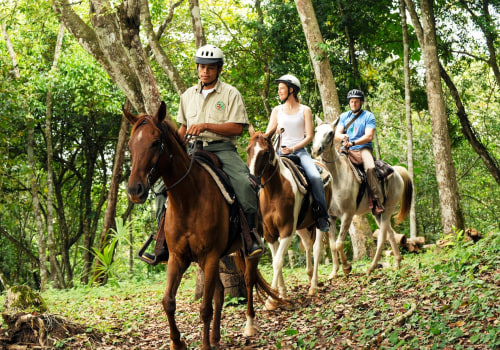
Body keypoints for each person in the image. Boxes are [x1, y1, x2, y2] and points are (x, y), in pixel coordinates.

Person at [176, 44, 263, 258]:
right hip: (192, 150)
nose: (205, 71)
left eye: (210, 68)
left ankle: (250, 236)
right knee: (162, 186)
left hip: (221, 149)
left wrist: (206, 126)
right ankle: (160, 240)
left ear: (219, 70)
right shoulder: (187, 95)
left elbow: (237, 127)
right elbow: (183, 128)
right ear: (197, 68)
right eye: (201, 67)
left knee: (244, 184)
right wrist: (175, 149)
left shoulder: (231, 93)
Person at [265, 74, 330, 232]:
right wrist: (275, 131)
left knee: (315, 177)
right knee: (258, 177)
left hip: (299, 152)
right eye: (279, 89)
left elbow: (309, 136)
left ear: (291, 90)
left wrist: (293, 149)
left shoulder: (305, 110)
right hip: (279, 152)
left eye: (282, 88)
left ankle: (322, 216)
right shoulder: (277, 110)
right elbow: (267, 136)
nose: (279, 92)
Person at [335, 89, 385, 215]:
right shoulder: (344, 116)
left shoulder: (368, 116)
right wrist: (343, 138)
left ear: (361, 102)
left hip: (363, 148)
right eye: (351, 102)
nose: (353, 104)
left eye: (356, 102)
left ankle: (375, 200)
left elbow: (369, 136)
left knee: (370, 168)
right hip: (346, 149)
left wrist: (353, 142)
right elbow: (337, 133)